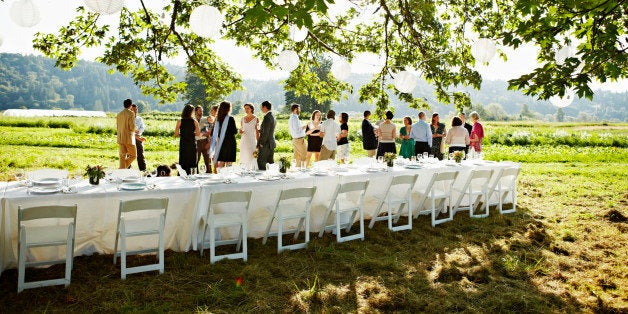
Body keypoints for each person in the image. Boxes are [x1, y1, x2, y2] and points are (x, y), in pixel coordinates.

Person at [210, 101, 238, 171]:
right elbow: (234, 131)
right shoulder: (230, 118)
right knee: (229, 163)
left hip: (221, 142)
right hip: (230, 142)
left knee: (221, 161)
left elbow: (213, 132)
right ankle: (228, 178)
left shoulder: (218, 119)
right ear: (228, 108)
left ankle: (220, 177)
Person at [174, 104, 200, 175]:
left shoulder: (180, 121)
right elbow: (198, 134)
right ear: (191, 112)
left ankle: (182, 175)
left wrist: (183, 135)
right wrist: (191, 134)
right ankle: (193, 174)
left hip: (183, 143)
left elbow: (176, 134)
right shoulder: (195, 121)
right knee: (193, 160)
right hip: (192, 143)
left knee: (183, 160)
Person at [116, 99, 137, 169]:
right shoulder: (131, 113)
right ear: (131, 105)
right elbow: (132, 127)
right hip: (128, 138)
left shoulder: (119, 114)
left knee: (122, 156)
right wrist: (135, 130)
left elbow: (118, 126)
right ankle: (122, 169)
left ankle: (121, 171)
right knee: (133, 156)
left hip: (120, 137)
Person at [256, 101, 276, 170]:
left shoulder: (267, 117)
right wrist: (259, 130)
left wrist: (261, 143)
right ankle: (271, 177)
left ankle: (263, 178)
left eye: (262, 107)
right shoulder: (272, 116)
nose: (261, 109)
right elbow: (268, 130)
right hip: (271, 143)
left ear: (265, 107)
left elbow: (266, 133)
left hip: (266, 144)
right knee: (270, 162)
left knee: (261, 161)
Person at [239, 103, 259, 169]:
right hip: (244, 140)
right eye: (245, 108)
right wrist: (240, 132)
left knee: (251, 156)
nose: (246, 110)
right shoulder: (242, 119)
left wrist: (258, 142)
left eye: (248, 108)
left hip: (252, 140)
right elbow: (241, 130)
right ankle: (244, 170)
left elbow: (257, 131)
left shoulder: (256, 119)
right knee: (244, 156)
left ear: (251, 109)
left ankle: (252, 170)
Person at [194, 105, 211, 173]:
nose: (202, 112)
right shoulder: (192, 120)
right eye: (200, 111)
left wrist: (209, 142)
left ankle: (209, 174)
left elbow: (209, 130)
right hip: (196, 142)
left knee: (208, 161)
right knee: (196, 160)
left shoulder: (205, 119)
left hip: (205, 141)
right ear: (196, 111)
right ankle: (195, 174)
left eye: (202, 111)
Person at [130, 103, 147, 171]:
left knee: (140, 153)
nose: (135, 110)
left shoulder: (139, 119)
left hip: (138, 136)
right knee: (129, 154)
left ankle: (143, 169)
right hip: (130, 137)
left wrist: (138, 132)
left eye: (136, 109)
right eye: (133, 109)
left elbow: (143, 127)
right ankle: (128, 169)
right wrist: (134, 132)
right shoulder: (128, 119)